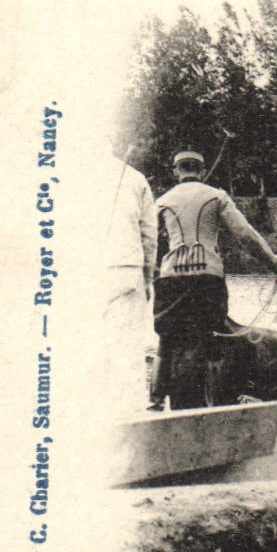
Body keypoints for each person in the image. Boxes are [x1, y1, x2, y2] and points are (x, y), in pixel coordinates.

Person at [150, 149, 277, 409]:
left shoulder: (163, 201)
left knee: (167, 338)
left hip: (170, 280)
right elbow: (246, 236)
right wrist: (274, 264)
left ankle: (155, 399)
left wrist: (149, 272)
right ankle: (232, 394)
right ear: (201, 171)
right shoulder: (216, 196)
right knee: (220, 335)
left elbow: (148, 240)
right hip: (207, 278)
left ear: (176, 171)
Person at [105, 144, 155, 407]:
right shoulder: (135, 178)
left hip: (84, 273)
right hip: (126, 268)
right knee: (128, 345)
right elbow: (149, 235)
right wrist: (148, 279)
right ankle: (131, 410)